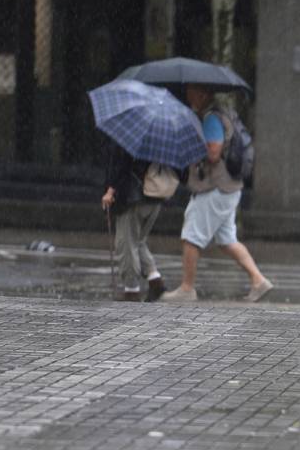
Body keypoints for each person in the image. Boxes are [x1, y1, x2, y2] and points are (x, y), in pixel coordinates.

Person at [162, 85, 273, 303]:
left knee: (191, 237)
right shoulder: (225, 113)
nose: (188, 96)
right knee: (227, 239)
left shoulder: (212, 118)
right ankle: (258, 280)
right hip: (230, 187)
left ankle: (187, 288)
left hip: (215, 187)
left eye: (192, 92)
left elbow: (213, 153)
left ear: (202, 94)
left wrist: (193, 146)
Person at [101, 143, 166, 302]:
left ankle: (131, 290)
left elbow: (122, 164)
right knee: (138, 240)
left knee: (126, 243)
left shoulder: (131, 137)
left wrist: (110, 191)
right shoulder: (160, 138)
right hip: (155, 196)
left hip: (133, 197)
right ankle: (154, 279)